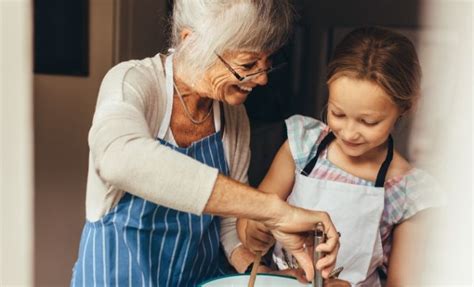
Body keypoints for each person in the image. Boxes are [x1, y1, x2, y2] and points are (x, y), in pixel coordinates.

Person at [70, 1, 340, 286]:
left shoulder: (233, 116)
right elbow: (119, 159)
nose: (261, 79)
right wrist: (275, 210)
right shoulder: (133, 83)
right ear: (191, 42)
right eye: (248, 64)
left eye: (268, 63)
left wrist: (261, 274)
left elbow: (227, 227)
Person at [237, 26, 444, 286]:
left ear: (403, 108)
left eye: (368, 122)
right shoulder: (303, 145)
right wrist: (255, 231)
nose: (348, 132)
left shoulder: (407, 191)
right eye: (338, 113)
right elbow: (249, 220)